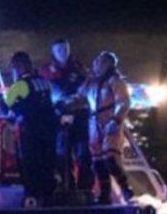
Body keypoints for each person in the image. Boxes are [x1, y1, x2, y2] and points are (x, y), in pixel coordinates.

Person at [0, 51, 58, 206]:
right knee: (47, 164)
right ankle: (49, 197)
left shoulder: (20, 85)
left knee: (30, 164)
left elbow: (8, 109)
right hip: (49, 131)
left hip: (31, 131)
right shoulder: (44, 82)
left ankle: (32, 197)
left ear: (19, 67)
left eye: (14, 68)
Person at [40, 38, 93, 194]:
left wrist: (73, 102)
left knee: (83, 155)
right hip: (58, 120)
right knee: (62, 156)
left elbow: (86, 90)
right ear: (53, 52)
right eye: (59, 50)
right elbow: (44, 94)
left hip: (80, 118)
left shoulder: (80, 68)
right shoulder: (46, 71)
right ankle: (66, 188)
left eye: (65, 49)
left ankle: (85, 190)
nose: (63, 53)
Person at [85, 50, 133, 205]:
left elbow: (124, 102)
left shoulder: (115, 81)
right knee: (98, 163)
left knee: (111, 158)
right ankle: (105, 195)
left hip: (109, 122)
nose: (96, 64)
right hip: (94, 123)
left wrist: (116, 119)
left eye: (100, 61)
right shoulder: (92, 82)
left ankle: (126, 189)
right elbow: (80, 95)